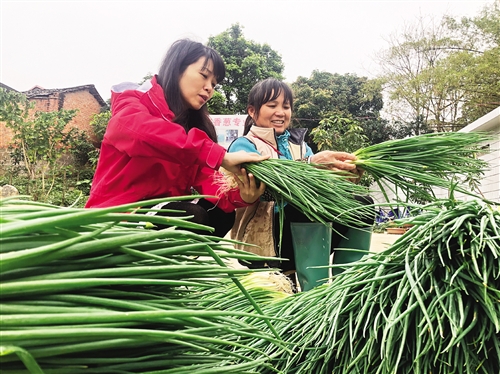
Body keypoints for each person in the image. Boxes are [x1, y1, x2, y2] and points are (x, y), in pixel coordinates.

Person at [85, 39, 267, 238]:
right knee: (189, 215)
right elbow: (139, 132)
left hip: (160, 212)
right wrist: (219, 156)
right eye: (204, 76)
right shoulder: (134, 102)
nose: (209, 88)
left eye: (214, 84)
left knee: (221, 215)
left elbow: (210, 182)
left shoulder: (194, 127)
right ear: (177, 68)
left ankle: (171, 265)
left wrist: (242, 195)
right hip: (117, 216)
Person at [228, 78, 374, 291]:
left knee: (362, 203)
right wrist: (310, 164)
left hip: (303, 232)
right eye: (272, 105)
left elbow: (319, 186)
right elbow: (270, 187)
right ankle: (314, 296)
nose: (281, 112)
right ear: (252, 111)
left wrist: (343, 178)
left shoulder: (300, 146)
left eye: (286, 107)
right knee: (304, 206)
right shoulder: (244, 146)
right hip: (264, 240)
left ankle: (349, 290)